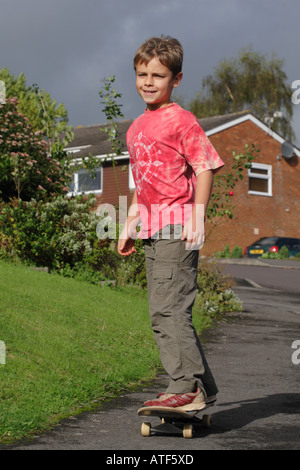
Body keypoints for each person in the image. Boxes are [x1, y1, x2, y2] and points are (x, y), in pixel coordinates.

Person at [118, 36, 224, 411]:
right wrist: (130, 220)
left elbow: (205, 166)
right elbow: (141, 181)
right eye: (142, 73)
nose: (148, 81)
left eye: (158, 75)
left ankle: (184, 385)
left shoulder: (181, 120)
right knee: (167, 308)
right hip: (152, 228)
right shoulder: (135, 128)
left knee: (167, 310)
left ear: (175, 80)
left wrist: (198, 215)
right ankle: (204, 387)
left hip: (177, 228)